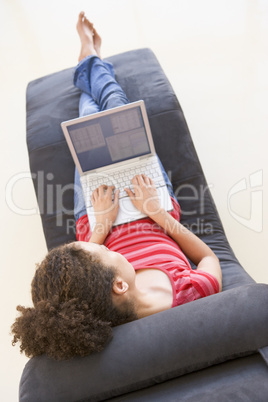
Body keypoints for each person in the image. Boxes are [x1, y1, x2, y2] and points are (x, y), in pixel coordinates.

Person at [11, 12, 222, 360]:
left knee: (86, 125)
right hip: (152, 205)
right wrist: (156, 213)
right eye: (108, 251)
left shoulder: (97, 302)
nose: (111, 247)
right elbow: (208, 258)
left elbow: (76, 279)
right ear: (120, 285)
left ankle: (88, 61)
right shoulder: (189, 291)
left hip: (97, 211)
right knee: (117, 112)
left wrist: (101, 228)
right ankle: (91, 60)